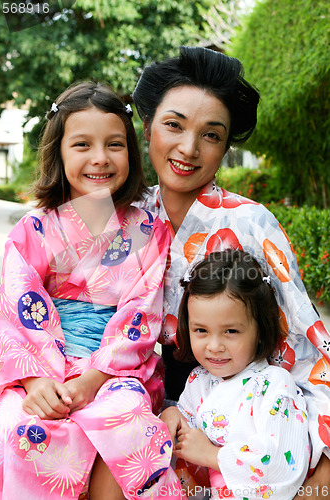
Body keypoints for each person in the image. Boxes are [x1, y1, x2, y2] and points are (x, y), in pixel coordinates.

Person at [132, 46, 330, 498]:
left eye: (211, 135)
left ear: (225, 146)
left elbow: (306, 343)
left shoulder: (250, 222)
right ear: (148, 127)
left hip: (247, 404)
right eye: (174, 125)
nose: (188, 148)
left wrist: (322, 458)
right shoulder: (125, 218)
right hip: (145, 400)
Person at [0, 82, 186, 499]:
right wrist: (33, 381)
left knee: (125, 421)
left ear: (131, 154)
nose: (100, 158)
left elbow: (142, 311)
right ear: (59, 152)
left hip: (114, 370)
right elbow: (14, 309)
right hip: (41, 366)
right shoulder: (35, 230)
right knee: (19, 426)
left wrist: (93, 378)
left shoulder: (148, 231)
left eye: (114, 144)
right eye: (82, 144)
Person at [161, 250, 310, 499]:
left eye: (231, 331)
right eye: (201, 330)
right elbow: (189, 436)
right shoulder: (199, 380)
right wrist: (173, 414)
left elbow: (283, 465)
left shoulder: (274, 384)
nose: (215, 345)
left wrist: (212, 455)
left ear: (260, 329)